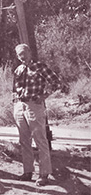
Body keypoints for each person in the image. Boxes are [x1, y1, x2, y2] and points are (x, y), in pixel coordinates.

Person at [12, 43, 62, 186]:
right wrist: (15, 103)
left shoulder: (40, 67)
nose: (22, 57)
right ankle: (28, 172)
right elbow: (14, 88)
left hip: (34, 105)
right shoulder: (18, 69)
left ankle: (44, 174)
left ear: (29, 52)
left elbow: (56, 82)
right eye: (19, 54)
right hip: (20, 106)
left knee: (40, 139)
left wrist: (44, 96)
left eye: (24, 53)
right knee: (24, 140)